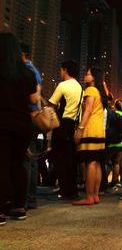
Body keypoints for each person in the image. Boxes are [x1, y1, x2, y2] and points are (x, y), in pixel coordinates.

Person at [0, 33, 39, 225]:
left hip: (3, 122)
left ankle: (1, 210)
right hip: (22, 124)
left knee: (2, 165)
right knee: (18, 164)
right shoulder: (27, 72)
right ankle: (19, 207)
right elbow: (33, 100)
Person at [72, 67, 107, 205]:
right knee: (96, 163)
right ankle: (95, 195)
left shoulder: (91, 90)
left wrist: (80, 128)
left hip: (90, 128)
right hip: (100, 129)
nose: (85, 76)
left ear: (94, 77)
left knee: (89, 163)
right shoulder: (100, 92)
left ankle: (89, 196)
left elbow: (87, 111)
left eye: (87, 74)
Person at [49, 60, 83, 199]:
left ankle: (64, 190)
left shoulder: (62, 85)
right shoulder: (81, 88)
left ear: (66, 70)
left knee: (59, 158)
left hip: (61, 124)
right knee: (71, 159)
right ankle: (72, 190)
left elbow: (52, 105)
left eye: (61, 70)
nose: (60, 72)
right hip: (73, 126)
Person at [20, 43, 44, 210]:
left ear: (22, 54)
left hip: (29, 117)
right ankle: (30, 199)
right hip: (35, 119)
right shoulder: (34, 71)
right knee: (32, 160)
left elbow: (34, 97)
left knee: (26, 160)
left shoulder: (28, 71)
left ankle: (26, 199)